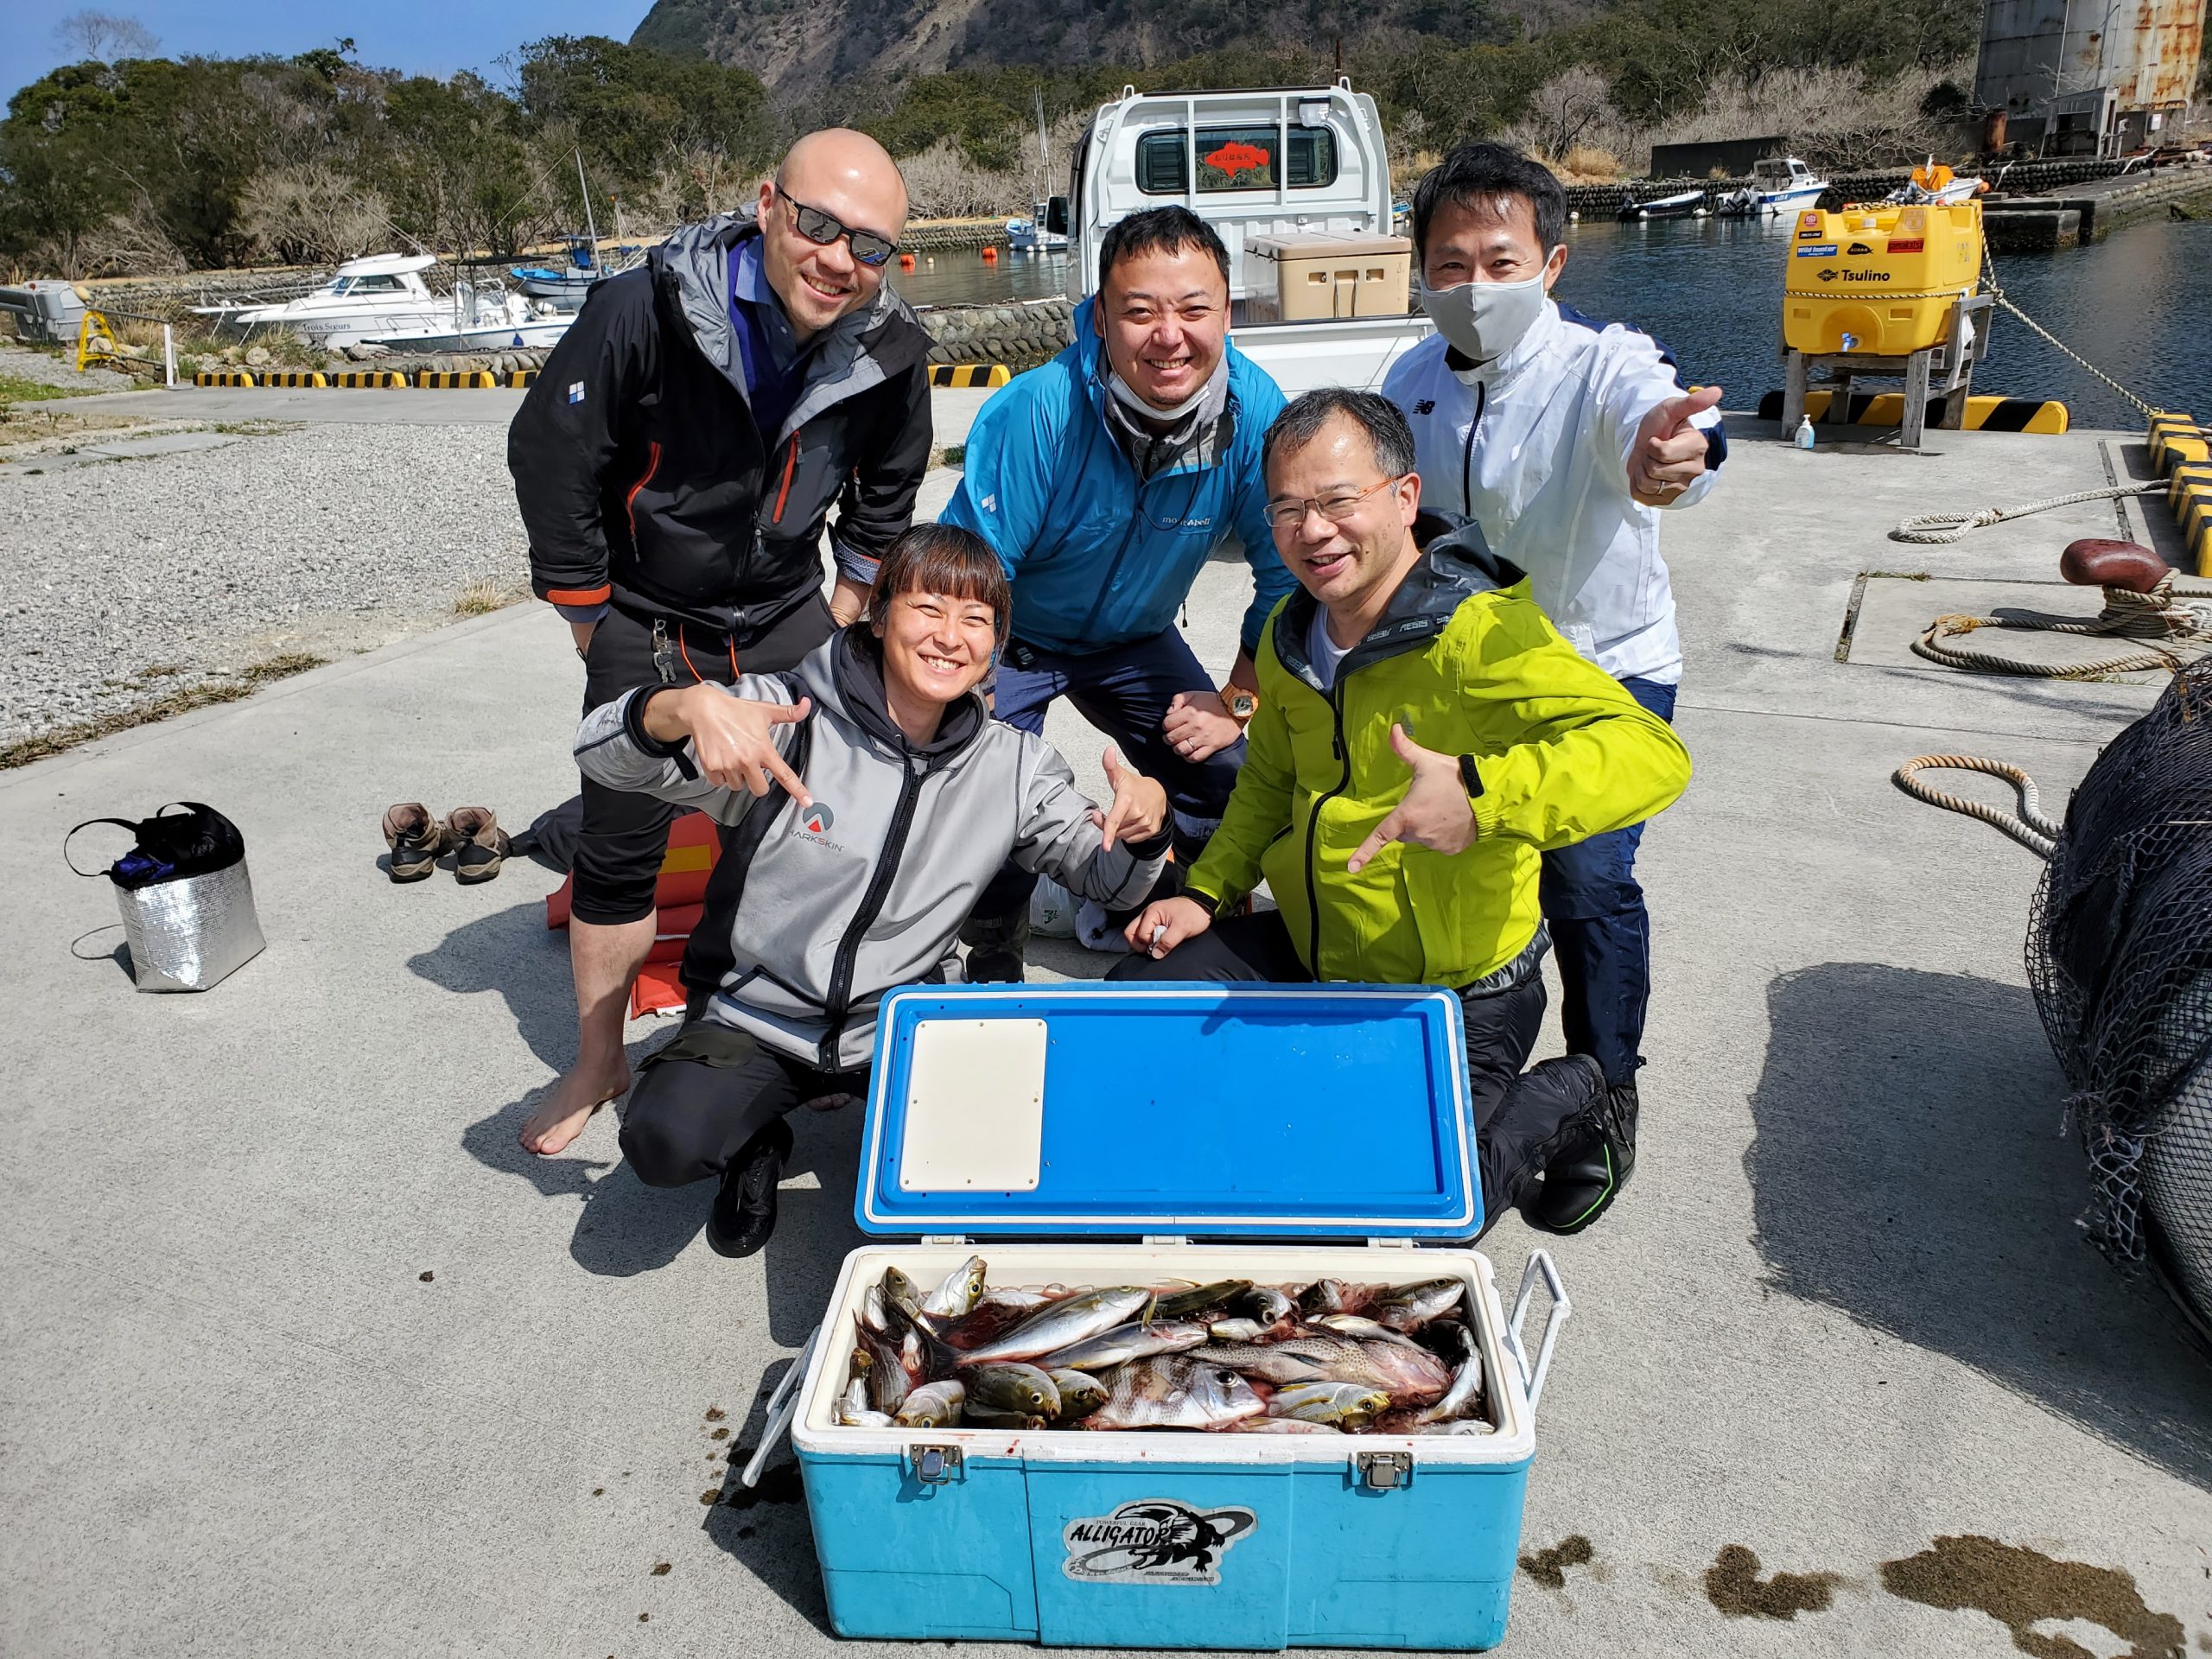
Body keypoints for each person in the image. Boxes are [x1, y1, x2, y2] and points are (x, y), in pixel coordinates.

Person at [1116, 391, 1692, 1233]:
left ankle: (1580, 1088)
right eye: (1286, 508)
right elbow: (1267, 783)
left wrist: (1483, 795)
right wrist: (1201, 892)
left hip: (1462, 996)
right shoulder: (1286, 630)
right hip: (1322, 954)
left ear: (1403, 497)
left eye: (1338, 500)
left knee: (1409, 1218)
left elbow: (1650, 753)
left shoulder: (1482, 631)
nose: (1313, 530)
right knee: (1133, 1018)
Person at [572, 524, 1173, 1255]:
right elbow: (604, 758)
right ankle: (759, 1136)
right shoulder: (788, 715)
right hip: (759, 1013)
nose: (950, 637)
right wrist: (678, 710)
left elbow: (1104, 879)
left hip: (904, 1023)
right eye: (928, 609)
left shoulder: (1014, 765)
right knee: (663, 1142)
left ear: (996, 645)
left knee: (997, 1187)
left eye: (976, 620)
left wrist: (1145, 827)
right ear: (880, 614)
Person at [510, 129, 935, 1156]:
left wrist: (841, 611)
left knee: (798, 822)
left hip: (785, 603)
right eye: (821, 226)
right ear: (768, 206)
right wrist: (585, 615)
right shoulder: (642, 309)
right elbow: (551, 451)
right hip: (646, 607)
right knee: (621, 841)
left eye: (870, 246)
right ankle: (599, 1054)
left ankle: (755, 1026)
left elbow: (889, 490)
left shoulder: (889, 346)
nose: (840, 260)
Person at [1382, 142, 1724, 1197]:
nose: (1473, 288)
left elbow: (1667, 428)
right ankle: (1467, 1072)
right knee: (1453, 860)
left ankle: (1606, 1087)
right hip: (1476, 674)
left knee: (1585, 878)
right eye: (1448, 264)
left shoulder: (1601, 365)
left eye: (1498, 261)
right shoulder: (1407, 378)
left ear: (1553, 263)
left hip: (1603, 666)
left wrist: (1678, 456)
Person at [940, 205, 1294, 981]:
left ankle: (1186, 901)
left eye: (1195, 309)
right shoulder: (1039, 410)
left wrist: (1238, 700)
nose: (1170, 334)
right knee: (987, 784)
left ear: (1227, 312)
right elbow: (971, 572)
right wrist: (970, 700)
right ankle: (994, 949)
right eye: (1141, 311)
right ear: (1102, 317)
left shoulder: (1257, 415)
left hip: (1135, 638)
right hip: (1014, 636)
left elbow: (1284, 577)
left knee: (1236, 771)